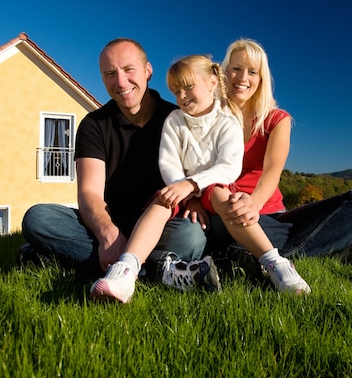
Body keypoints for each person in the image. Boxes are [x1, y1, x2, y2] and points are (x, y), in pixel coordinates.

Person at [89, 55, 310, 303]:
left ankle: (275, 263)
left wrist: (193, 185)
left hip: (212, 187)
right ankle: (126, 271)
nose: (182, 96)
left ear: (212, 83)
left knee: (224, 197)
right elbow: (168, 162)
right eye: (176, 91)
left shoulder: (228, 122)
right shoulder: (174, 120)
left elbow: (229, 166)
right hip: (178, 186)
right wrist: (182, 189)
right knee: (162, 201)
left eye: (188, 87)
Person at [20, 38, 214, 291]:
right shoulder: (94, 125)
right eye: (110, 73)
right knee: (38, 218)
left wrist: (195, 198)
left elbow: (198, 171)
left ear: (148, 71)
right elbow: (89, 193)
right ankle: (159, 269)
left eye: (128, 69)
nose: (121, 82)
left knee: (191, 236)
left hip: (162, 225)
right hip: (108, 222)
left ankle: (75, 259)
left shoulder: (176, 118)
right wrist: (108, 235)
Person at [201, 38, 352, 276]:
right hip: (229, 213)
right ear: (224, 73)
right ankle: (323, 248)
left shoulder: (277, 119)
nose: (243, 78)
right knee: (226, 224)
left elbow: (273, 170)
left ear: (261, 79)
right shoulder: (208, 117)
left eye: (252, 72)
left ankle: (257, 256)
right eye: (236, 69)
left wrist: (254, 203)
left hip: (273, 215)